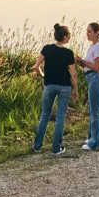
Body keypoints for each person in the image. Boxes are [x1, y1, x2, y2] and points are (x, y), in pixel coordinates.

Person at [32, 23, 79, 156]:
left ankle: (37, 146)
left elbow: (36, 66)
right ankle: (56, 148)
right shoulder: (69, 53)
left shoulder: (47, 49)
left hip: (49, 85)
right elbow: (73, 74)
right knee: (60, 117)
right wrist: (76, 90)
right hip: (64, 87)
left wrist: (43, 77)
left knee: (45, 115)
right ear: (64, 37)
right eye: (69, 35)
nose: (70, 37)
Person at [76, 23, 99, 152]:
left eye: (89, 31)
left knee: (95, 112)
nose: (87, 34)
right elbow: (88, 66)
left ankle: (95, 143)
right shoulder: (92, 47)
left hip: (96, 79)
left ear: (96, 33)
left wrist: (82, 62)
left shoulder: (98, 47)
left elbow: (97, 67)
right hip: (91, 78)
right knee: (92, 111)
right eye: (86, 31)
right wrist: (80, 62)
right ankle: (92, 138)